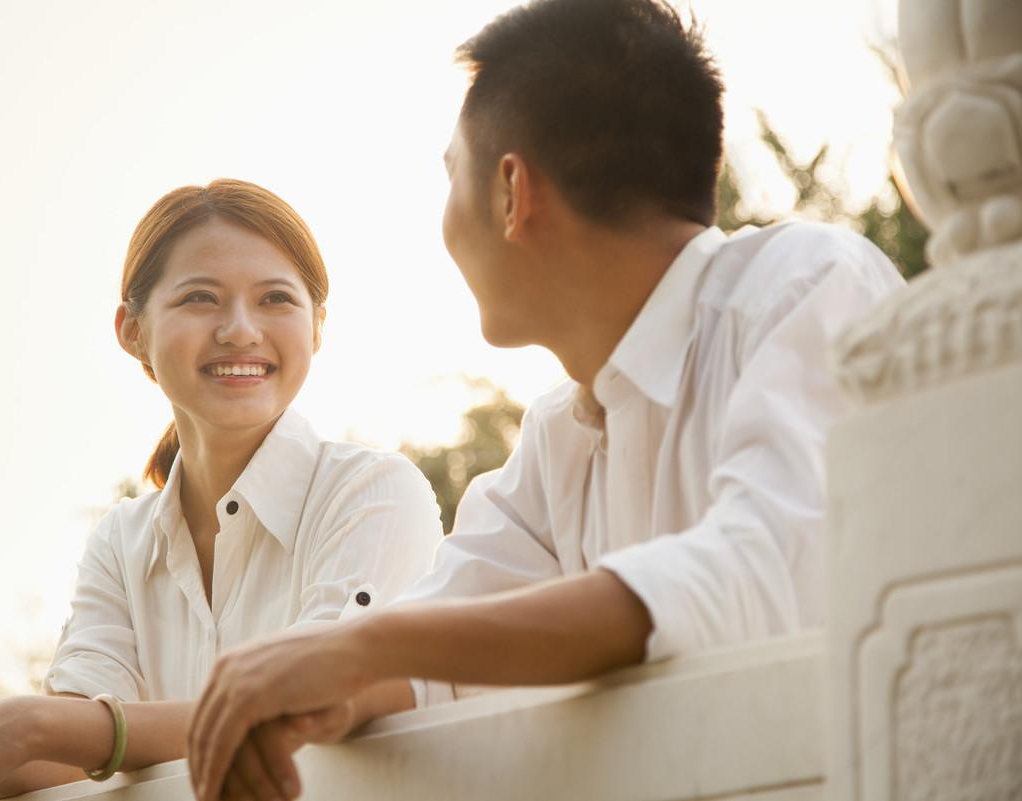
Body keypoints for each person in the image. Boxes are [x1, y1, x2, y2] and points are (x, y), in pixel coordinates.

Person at [183, 1, 907, 799]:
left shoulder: (806, 285)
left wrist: (360, 647)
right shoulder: (561, 432)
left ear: (510, 191)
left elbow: (752, 570)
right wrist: (311, 696)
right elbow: (435, 660)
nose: (444, 221)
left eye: (450, 173)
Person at [0, 179, 442, 800]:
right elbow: (72, 752)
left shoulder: (373, 495)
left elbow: (309, 702)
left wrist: (23, 724)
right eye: (201, 298)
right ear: (132, 331)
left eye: (276, 299)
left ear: (316, 328)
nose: (239, 330)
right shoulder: (121, 541)